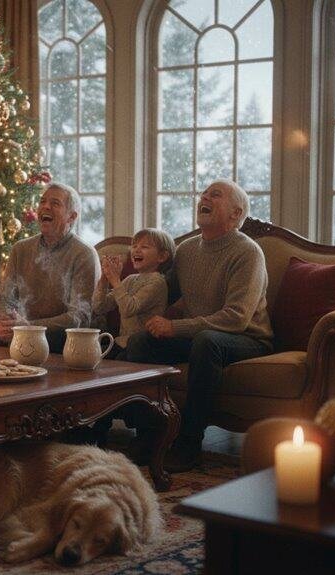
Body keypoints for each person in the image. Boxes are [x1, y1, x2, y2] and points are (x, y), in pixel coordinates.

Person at [122, 179, 273, 472]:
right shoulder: (187, 250)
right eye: (203, 193)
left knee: (207, 340)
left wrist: (174, 327)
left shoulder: (248, 252)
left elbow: (236, 317)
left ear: (235, 213)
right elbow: (166, 295)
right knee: (140, 342)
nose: (203, 197)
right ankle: (148, 435)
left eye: (215, 195)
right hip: (200, 335)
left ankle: (189, 444)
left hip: (247, 338)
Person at [0, 183, 101, 353]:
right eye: (42, 201)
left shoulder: (84, 254)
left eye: (55, 203)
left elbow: (80, 317)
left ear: (71, 217)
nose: (45, 206)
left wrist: (28, 327)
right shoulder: (20, 249)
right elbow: (4, 298)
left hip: (59, 338)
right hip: (18, 331)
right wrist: (3, 322)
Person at [92, 228, 175, 356]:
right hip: (121, 343)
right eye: (134, 246)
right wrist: (104, 279)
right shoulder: (131, 279)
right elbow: (99, 307)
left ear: (162, 256)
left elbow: (129, 309)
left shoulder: (157, 282)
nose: (136, 250)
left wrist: (115, 280)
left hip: (143, 346)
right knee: (90, 355)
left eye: (145, 247)